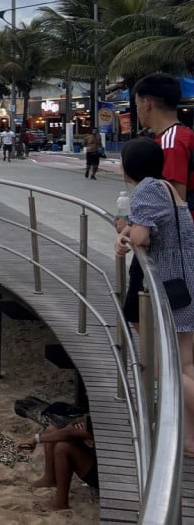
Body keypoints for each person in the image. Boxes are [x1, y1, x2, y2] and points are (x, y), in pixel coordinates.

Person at [114, 138, 194, 456]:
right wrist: (129, 232)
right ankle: (190, 440)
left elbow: (143, 235)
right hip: (186, 282)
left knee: (165, 367)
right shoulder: (167, 187)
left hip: (167, 285)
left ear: (128, 165)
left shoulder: (146, 188)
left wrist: (125, 230)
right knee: (186, 363)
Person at [134, 73, 194, 216]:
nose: (137, 110)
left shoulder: (171, 142)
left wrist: (136, 226)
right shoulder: (182, 135)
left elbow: (174, 201)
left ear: (147, 103)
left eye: (137, 105)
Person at [16, 417, 98, 511]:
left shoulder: (110, 419)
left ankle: (61, 502)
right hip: (96, 459)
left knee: (62, 447)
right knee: (52, 430)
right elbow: (81, 419)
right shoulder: (102, 413)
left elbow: (68, 433)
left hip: (103, 474)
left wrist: (35, 439)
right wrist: (75, 423)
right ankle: (50, 478)